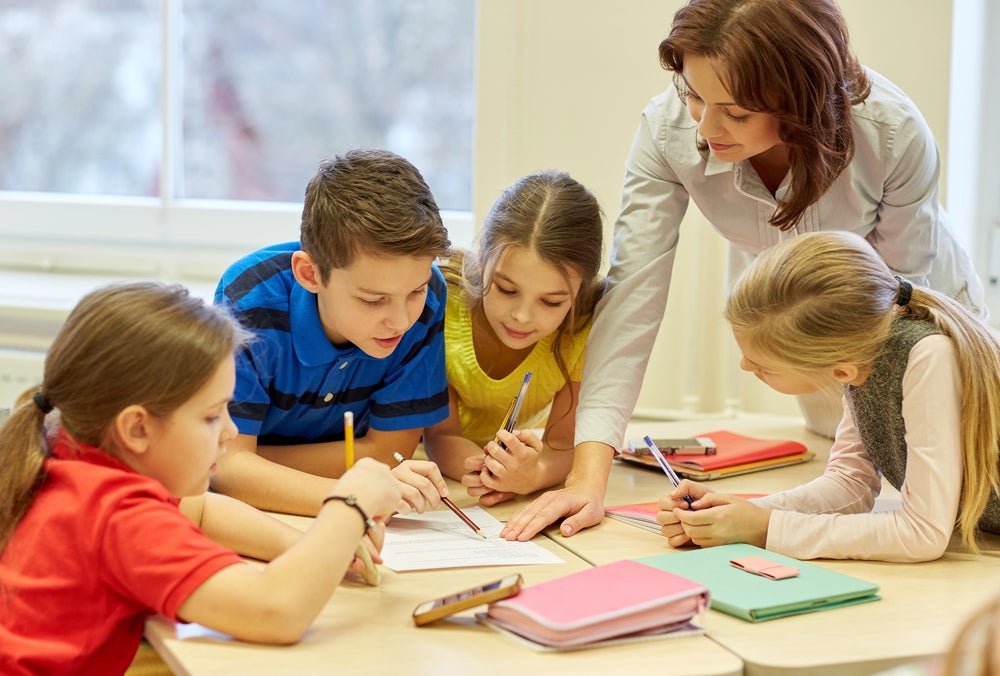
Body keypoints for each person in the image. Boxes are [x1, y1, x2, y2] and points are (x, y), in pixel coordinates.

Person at [499, 0, 987, 543]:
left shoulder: (893, 132)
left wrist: (764, 528)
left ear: (801, 102)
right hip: (817, 335)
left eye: (736, 112)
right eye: (693, 95)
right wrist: (588, 479)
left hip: (910, 315)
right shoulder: (668, 132)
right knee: (851, 459)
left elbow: (894, 308)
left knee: (958, 495)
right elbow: (631, 296)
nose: (706, 129)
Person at [0, 282, 404, 674]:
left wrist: (313, 549)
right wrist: (348, 504)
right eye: (211, 416)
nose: (229, 432)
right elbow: (275, 611)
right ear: (137, 429)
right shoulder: (117, 511)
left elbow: (200, 510)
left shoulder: (67, 454)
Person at [657, 231, 1000, 562]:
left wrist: (764, 529)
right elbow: (849, 485)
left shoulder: (927, 357)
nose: (745, 366)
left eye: (763, 366)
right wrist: (736, 515)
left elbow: (922, 535)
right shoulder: (863, 350)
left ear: (840, 371)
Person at [213, 149, 453, 515]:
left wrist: (251, 460)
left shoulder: (430, 295)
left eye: (415, 291)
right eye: (373, 300)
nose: (402, 321)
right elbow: (225, 470)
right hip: (262, 513)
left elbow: (389, 453)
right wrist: (352, 498)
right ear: (310, 275)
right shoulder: (249, 302)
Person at [423, 170, 604, 504]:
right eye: (506, 289)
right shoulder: (443, 303)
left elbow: (564, 446)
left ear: (581, 291)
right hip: (427, 464)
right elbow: (440, 434)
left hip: (505, 462)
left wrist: (532, 474)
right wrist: (479, 468)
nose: (522, 316)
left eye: (551, 301)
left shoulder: (583, 328)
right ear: (482, 261)